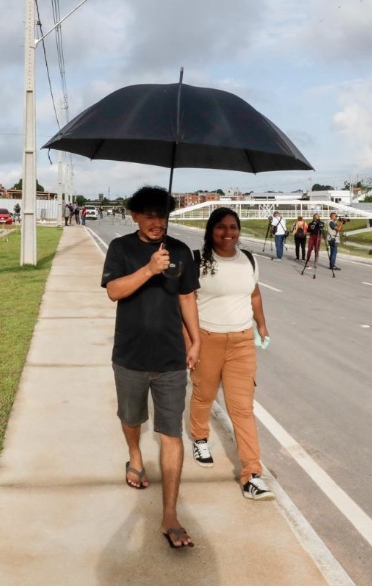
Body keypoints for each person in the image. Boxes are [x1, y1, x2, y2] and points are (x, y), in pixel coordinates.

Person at [102, 186, 201, 550]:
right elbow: (114, 290)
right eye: (149, 215)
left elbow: (187, 295)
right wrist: (148, 269)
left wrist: (196, 339)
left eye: (162, 215)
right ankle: (135, 456)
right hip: (130, 356)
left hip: (171, 360)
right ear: (134, 215)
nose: (158, 222)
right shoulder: (121, 248)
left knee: (172, 432)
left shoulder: (180, 251)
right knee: (131, 418)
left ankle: (170, 514)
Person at [189, 208, 275, 501]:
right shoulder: (197, 261)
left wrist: (261, 324)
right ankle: (199, 437)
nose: (228, 233)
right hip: (207, 338)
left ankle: (252, 474)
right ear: (211, 230)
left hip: (241, 342)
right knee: (204, 395)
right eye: (221, 228)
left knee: (242, 408)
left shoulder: (248, 260)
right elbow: (185, 301)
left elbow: (254, 294)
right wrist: (189, 340)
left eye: (233, 227)